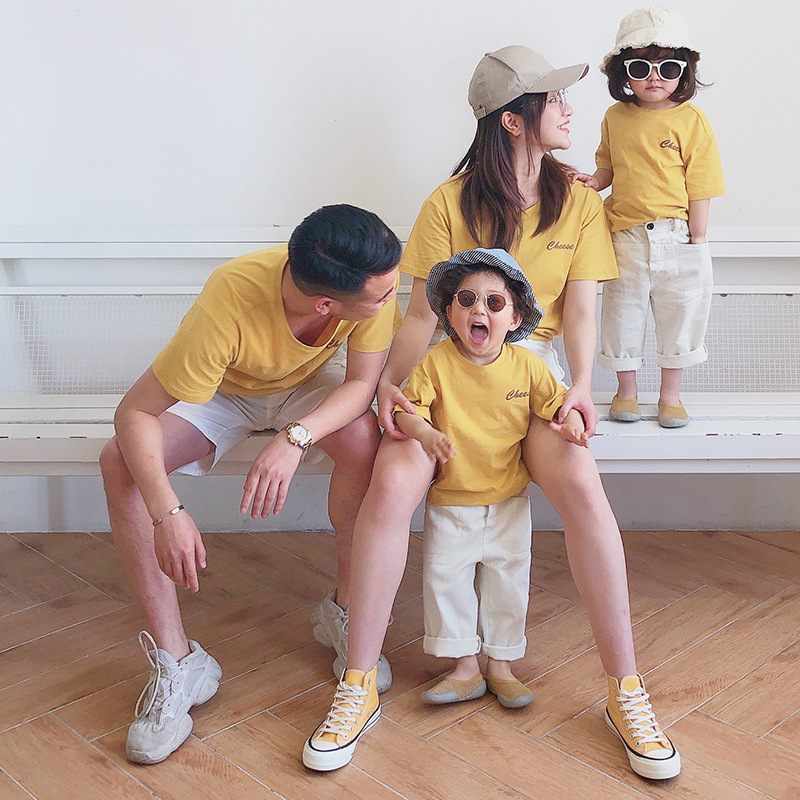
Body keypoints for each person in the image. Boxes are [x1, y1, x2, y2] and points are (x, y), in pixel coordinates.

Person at [305, 47, 681, 782]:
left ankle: (626, 692)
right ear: (513, 120)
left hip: (534, 377)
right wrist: (391, 389)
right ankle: (357, 686)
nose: (569, 109)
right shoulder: (447, 203)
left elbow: (581, 310)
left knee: (583, 488)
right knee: (392, 484)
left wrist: (582, 386)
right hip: (447, 374)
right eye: (554, 99)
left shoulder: (581, 202)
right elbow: (421, 316)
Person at [99, 203, 401, 765]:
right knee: (120, 463)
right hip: (225, 393)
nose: (393, 298)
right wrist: (167, 512)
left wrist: (295, 438)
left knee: (364, 438)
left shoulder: (372, 282)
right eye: (382, 297)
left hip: (307, 390)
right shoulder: (231, 300)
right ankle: (179, 663)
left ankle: (344, 609)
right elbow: (133, 414)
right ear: (326, 305)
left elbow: (362, 385)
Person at [397, 248, 587, 710]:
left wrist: (573, 423)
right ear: (449, 312)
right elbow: (406, 410)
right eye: (466, 300)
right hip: (451, 500)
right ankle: (464, 668)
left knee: (509, 582)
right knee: (446, 580)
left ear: (514, 317)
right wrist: (425, 433)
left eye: (494, 303)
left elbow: (556, 405)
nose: (478, 310)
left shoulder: (528, 366)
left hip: (508, 501)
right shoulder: (436, 363)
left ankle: (501, 666)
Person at [573, 7, 725, 428]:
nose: (654, 77)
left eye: (668, 68)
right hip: (624, 236)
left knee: (681, 315)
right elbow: (608, 167)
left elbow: (701, 183)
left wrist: (698, 239)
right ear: (623, 72)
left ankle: (670, 395)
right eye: (641, 67)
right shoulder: (615, 118)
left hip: (678, 236)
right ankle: (626, 392)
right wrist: (593, 182)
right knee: (622, 314)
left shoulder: (692, 120)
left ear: (684, 71)